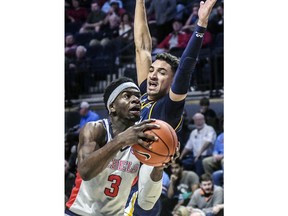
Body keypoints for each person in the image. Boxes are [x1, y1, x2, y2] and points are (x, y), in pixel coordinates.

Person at [125, 0, 218, 215]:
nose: (153, 75)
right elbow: (141, 47)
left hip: (149, 176)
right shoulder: (144, 93)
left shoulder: (170, 105)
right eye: (152, 70)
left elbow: (185, 67)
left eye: (162, 72)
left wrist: (201, 24)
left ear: (172, 80)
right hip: (128, 171)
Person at [65, 77, 168, 216]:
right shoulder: (96, 129)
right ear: (112, 106)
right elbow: (85, 171)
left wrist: (159, 165)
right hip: (79, 213)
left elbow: (147, 202)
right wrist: (120, 141)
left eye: (138, 96)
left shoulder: (144, 140)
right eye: (127, 96)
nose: (136, 99)